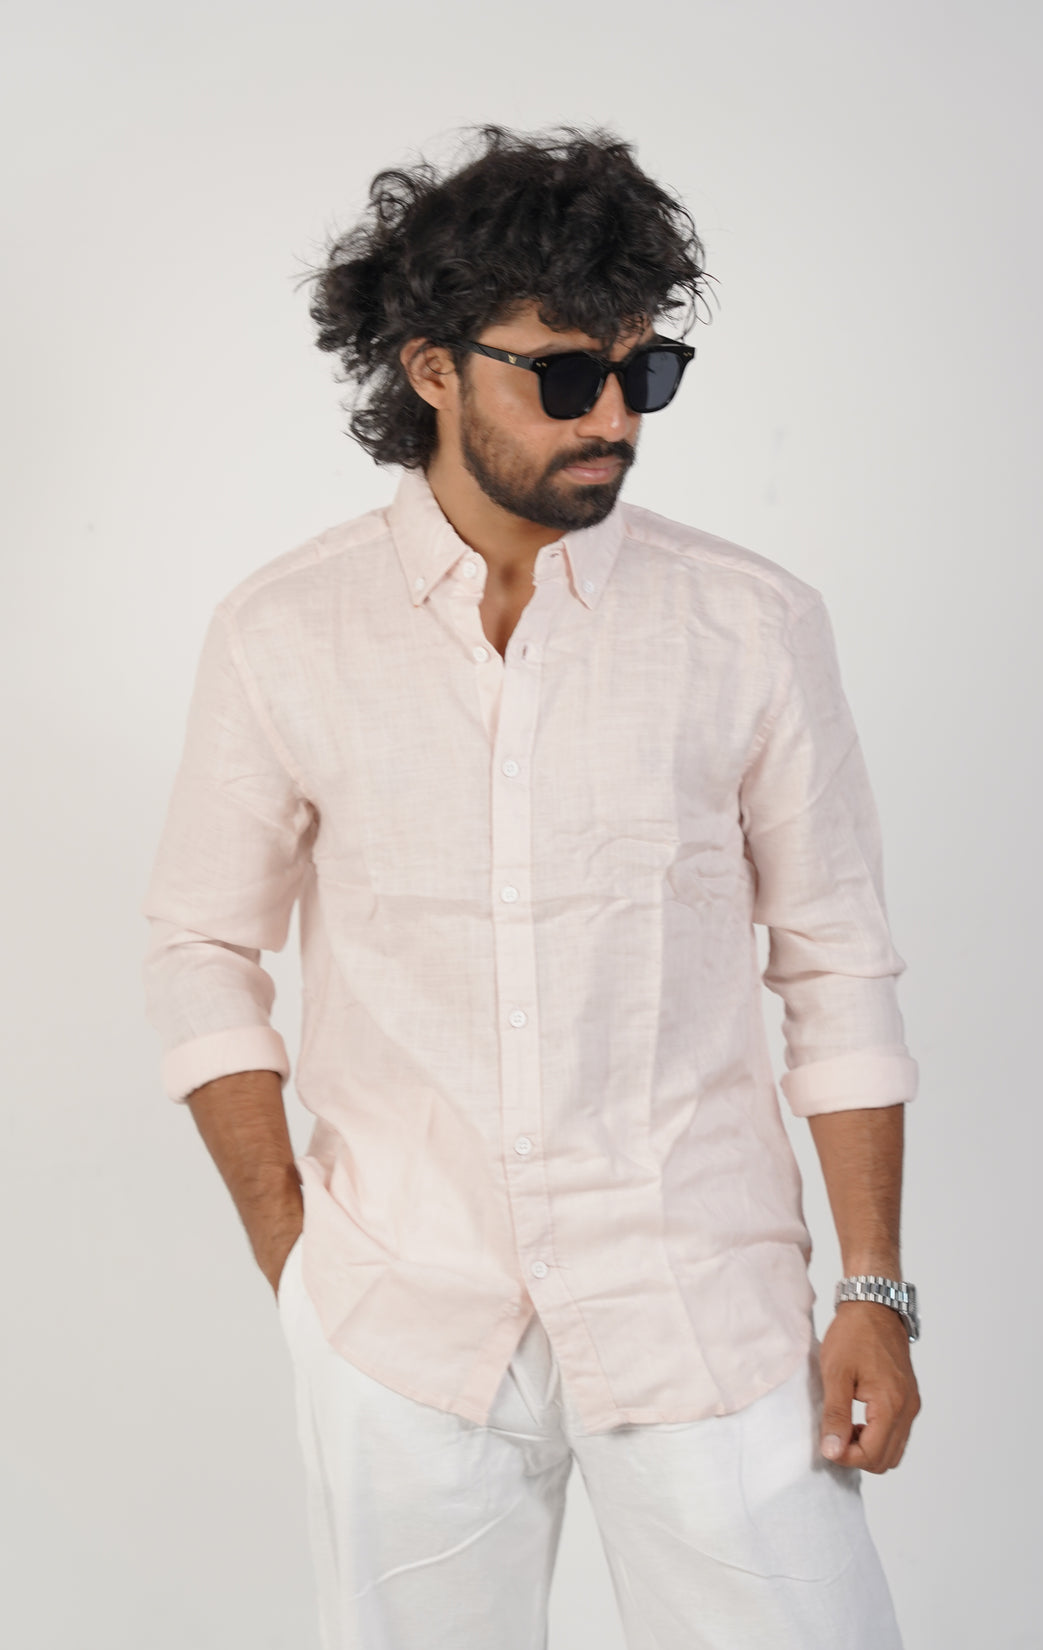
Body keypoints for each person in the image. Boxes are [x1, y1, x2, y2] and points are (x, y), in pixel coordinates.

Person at [142, 124, 921, 1650]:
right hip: (401, 1314)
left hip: (702, 1299)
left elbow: (837, 963)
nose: (615, 417)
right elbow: (198, 943)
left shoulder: (751, 627)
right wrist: (297, 1256)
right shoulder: (284, 633)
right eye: (567, 376)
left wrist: (875, 1288)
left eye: (647, 371)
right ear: (432, 369)